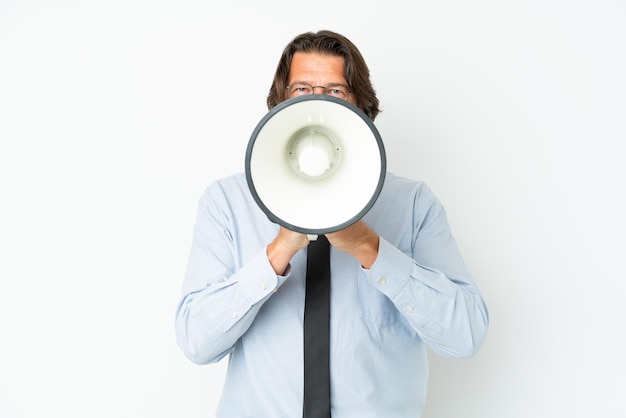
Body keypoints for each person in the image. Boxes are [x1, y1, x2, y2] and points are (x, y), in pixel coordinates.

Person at [175, 29, 489, 417]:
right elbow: (197, 342)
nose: (317, 103)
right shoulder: (228, 202)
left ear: (361, 106)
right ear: (279, 102)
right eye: (302, 89)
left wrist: (370, 249)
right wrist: (277, 254)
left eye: (336, 92)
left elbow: (466, 336)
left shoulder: (412, 204)